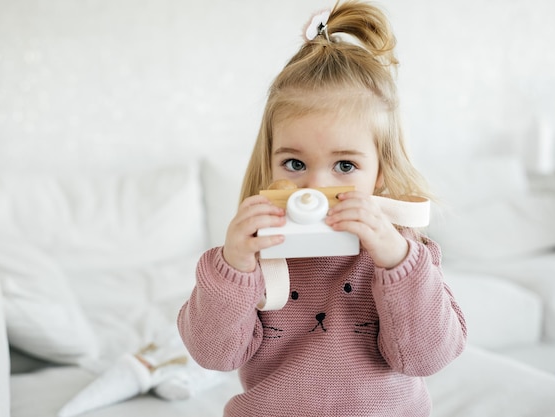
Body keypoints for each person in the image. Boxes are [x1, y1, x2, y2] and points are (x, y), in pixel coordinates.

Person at [177, 1, 467, 415]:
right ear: (271, 163)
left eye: (345, 165)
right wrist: (234, 265)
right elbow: (214, 356)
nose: (315, 189)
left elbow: (427, 358)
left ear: (381, 172)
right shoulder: (258, 252)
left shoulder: (403, 251)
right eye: (295, 164)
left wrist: (398, 261)